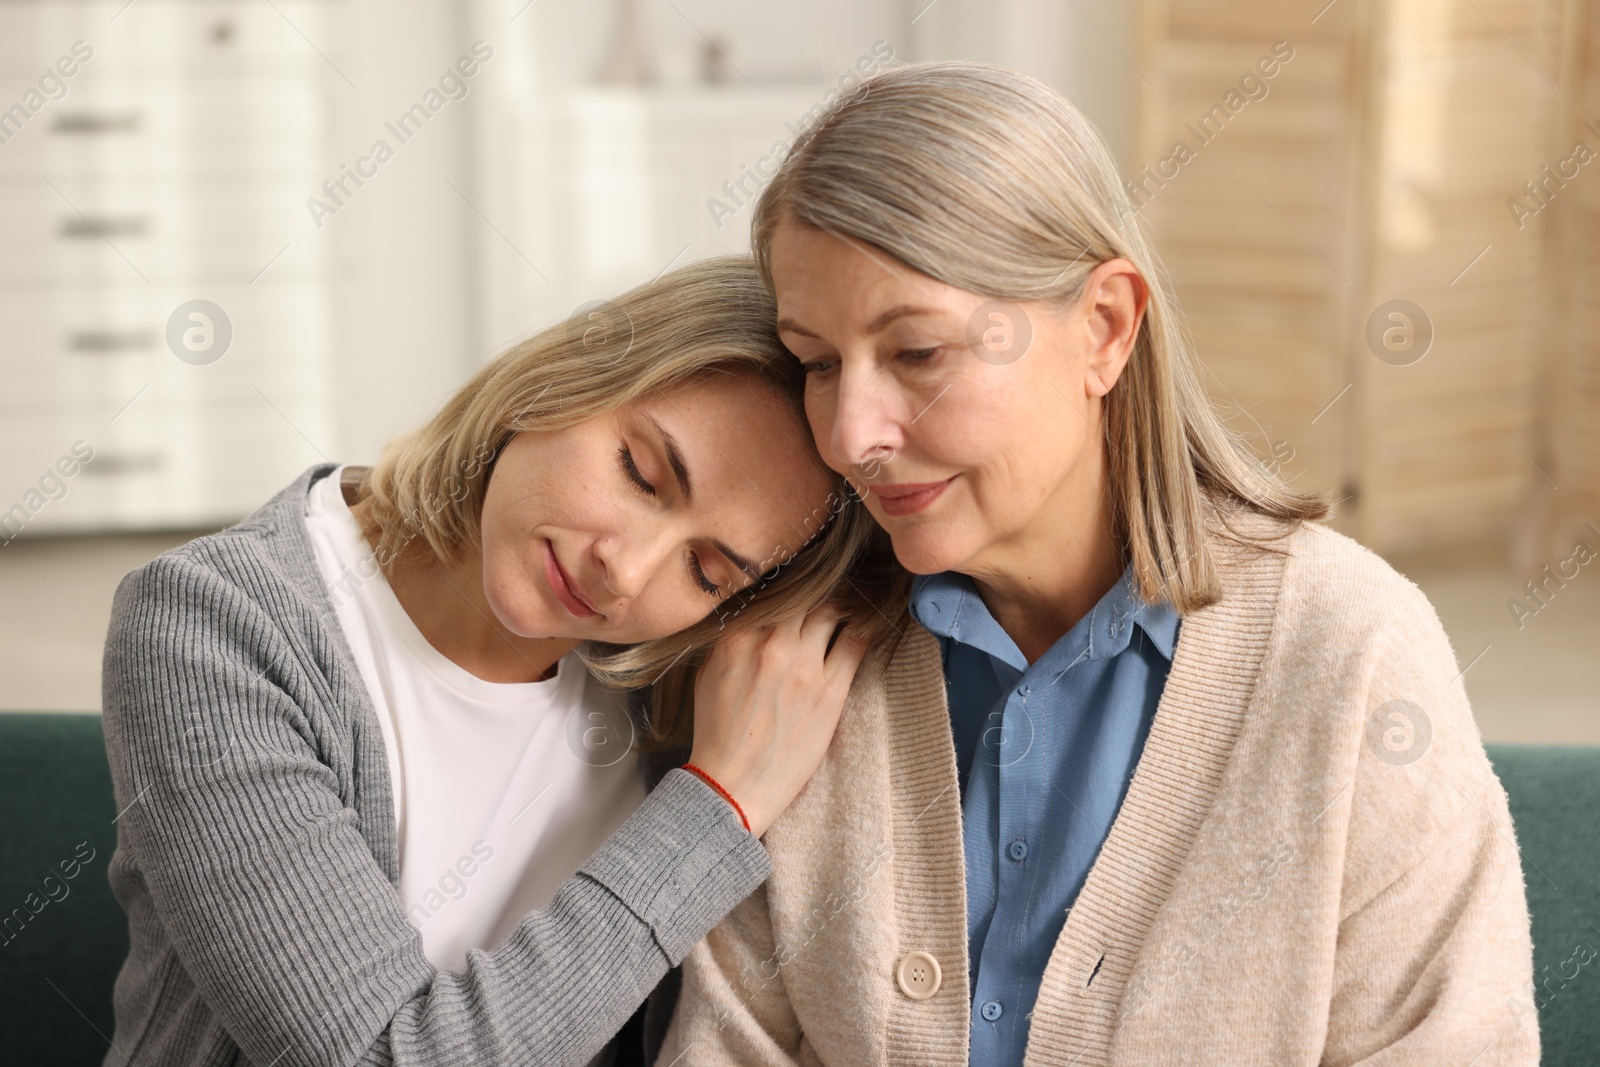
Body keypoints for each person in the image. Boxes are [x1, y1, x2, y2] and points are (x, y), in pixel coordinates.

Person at [659, 63, 1539, 1066]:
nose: (852, 433)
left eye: (915, 354)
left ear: (1105, 326)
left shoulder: (1351, 651)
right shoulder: (794, 671)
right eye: (817, 363)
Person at [98, 256, 897, 1067]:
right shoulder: (210, 624)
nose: (624, 571)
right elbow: (381, 1055)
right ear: (565, 375)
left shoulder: (682, 682)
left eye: (706, 571)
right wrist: (718, 805)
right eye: (641, 474)